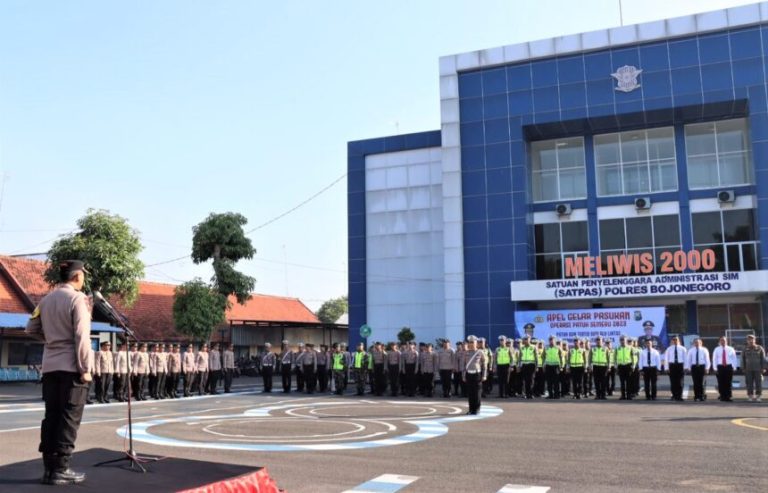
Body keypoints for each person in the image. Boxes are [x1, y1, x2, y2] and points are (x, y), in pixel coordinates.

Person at [24, 259, 91, 485]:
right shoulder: (78, 299)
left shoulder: (46, 300)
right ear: (77, 276)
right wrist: (85, 369)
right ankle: (61, 468)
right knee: (69, 418)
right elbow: (82, 336)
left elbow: (30, 328)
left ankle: (48, 469)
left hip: (50, 367)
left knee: (51, 416)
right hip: (72, 368)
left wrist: (52, 340)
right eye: (83, 274)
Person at [462, 335, 487, 415]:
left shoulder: (480, 352)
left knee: (477, 393)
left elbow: (484, 364)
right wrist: (463, 375)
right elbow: (464, 365)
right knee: (470, 393)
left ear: (476, 343)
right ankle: (471, 409)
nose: (471, 344)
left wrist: (484, 375)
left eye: (472, 342)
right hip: (469, 374)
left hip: (477, 374)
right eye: (469, 342)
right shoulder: (466, 353)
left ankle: (477, 409)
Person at [711, 336, 738, 402]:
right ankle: (722, 396)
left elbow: (734, 358)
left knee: (728, 382)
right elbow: (714, 359)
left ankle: (728, 396)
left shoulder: (731, 349)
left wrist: (734, 367)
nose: (723, 341)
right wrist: (714, 368)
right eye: (721, 340)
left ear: (727, 341)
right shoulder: (716, 349)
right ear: (720, 341)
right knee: (721, 382)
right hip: (720, 367)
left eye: (724, 340)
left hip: (728, 367)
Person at [741, 335, 766, 402]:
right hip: (748, 369)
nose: (751, 341)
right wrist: (743, 367)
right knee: (749, 383)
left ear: (755, 340)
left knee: (758, 383)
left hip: (758, 369)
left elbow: (763, 359)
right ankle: (750, 396)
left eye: (752, 339)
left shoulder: (760, 348)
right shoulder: (745, 349)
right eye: (749, 339)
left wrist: (763, 367)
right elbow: (742, 359)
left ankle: (758, 396)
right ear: (747, 341)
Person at [664, 336, 686, 401]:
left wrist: (685, 367)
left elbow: (685, 358)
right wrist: (666, 368)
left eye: (676, 340)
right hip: (672, 366)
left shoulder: (683, 349)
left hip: (680, 365)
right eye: (674, 340)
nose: (675, 341)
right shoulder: (669, 349)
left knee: (680, 382)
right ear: (672, 341)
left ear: (679, 341)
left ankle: (679, 396)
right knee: (673, 382)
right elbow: (666, 359)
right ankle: (674, 395)